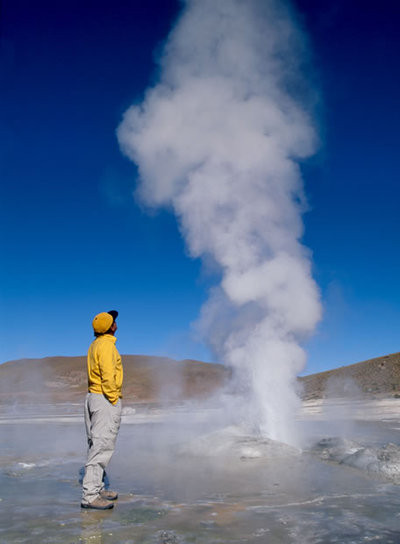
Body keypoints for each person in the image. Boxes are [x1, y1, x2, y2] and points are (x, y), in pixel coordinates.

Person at [81, 310, 123, 510]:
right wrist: (113, 398)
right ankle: (90, 496)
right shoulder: (106, 346)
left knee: (96, 444)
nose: (116, 323)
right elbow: (107, 374)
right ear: (109, 327)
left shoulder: (95, 345)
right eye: (113, 321)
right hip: (104, 398)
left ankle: (97, 489)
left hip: (93, 397)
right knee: (101, 446)